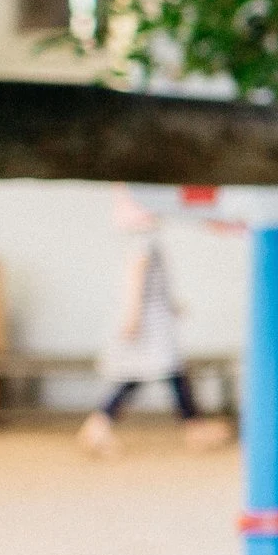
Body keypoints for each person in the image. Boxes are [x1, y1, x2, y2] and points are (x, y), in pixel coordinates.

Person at [79, 190, 234, 455]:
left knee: (154, 375)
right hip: (147, 323)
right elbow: (136, 278)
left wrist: (170, 306)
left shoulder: (142, 239)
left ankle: (191, 427)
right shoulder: (143, 240)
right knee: (154, 374)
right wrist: (133, 316)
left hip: (152, 318)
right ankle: (99, 426)